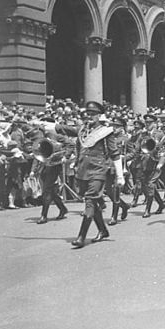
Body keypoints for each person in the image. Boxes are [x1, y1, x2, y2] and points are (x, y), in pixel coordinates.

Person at [57, 101, 124, 249]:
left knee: (90, 200)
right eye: (88, 114)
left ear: (100, 116)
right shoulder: (83, 130)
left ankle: (81, 237)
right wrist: (42, 124)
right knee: (92, 202)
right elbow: (65, 130)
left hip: (98, 170)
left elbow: (115, 154)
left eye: (93, 114)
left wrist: (120, 176)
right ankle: (102, 230)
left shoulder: (106, 131)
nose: (89, 117)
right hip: (82, 171)